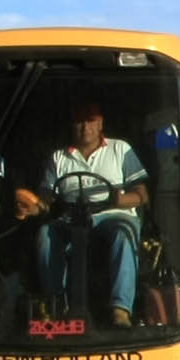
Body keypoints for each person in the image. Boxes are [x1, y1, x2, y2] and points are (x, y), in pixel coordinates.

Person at [16, 100, 150, 325]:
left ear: (100, 124)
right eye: (79, 121)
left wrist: (121, 199)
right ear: (72, 126)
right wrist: (33, 208)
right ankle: (57, 305)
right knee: (45, 235)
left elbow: (142, 194)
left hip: (114, 214)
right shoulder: (58, 158)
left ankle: (121, 310)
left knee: (123, 233)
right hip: (72, 217)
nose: (85, 127)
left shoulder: (120, 149)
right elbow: (47, 200)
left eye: (90, 121)